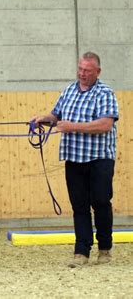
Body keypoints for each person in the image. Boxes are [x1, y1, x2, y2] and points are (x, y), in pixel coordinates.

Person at [32, 52, 119, 267]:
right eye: (80, 69)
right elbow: (57, 115)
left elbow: (105, 125)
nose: (82, 73)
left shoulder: (105, 93)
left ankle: (105, 248)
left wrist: (73, 127)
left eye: (87, 70)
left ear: (97, 72)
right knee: (79, 205)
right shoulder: (69, 91)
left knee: (100, 202)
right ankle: (81, 251)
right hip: (74, 157)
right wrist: (44, 119)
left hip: (100, 158)